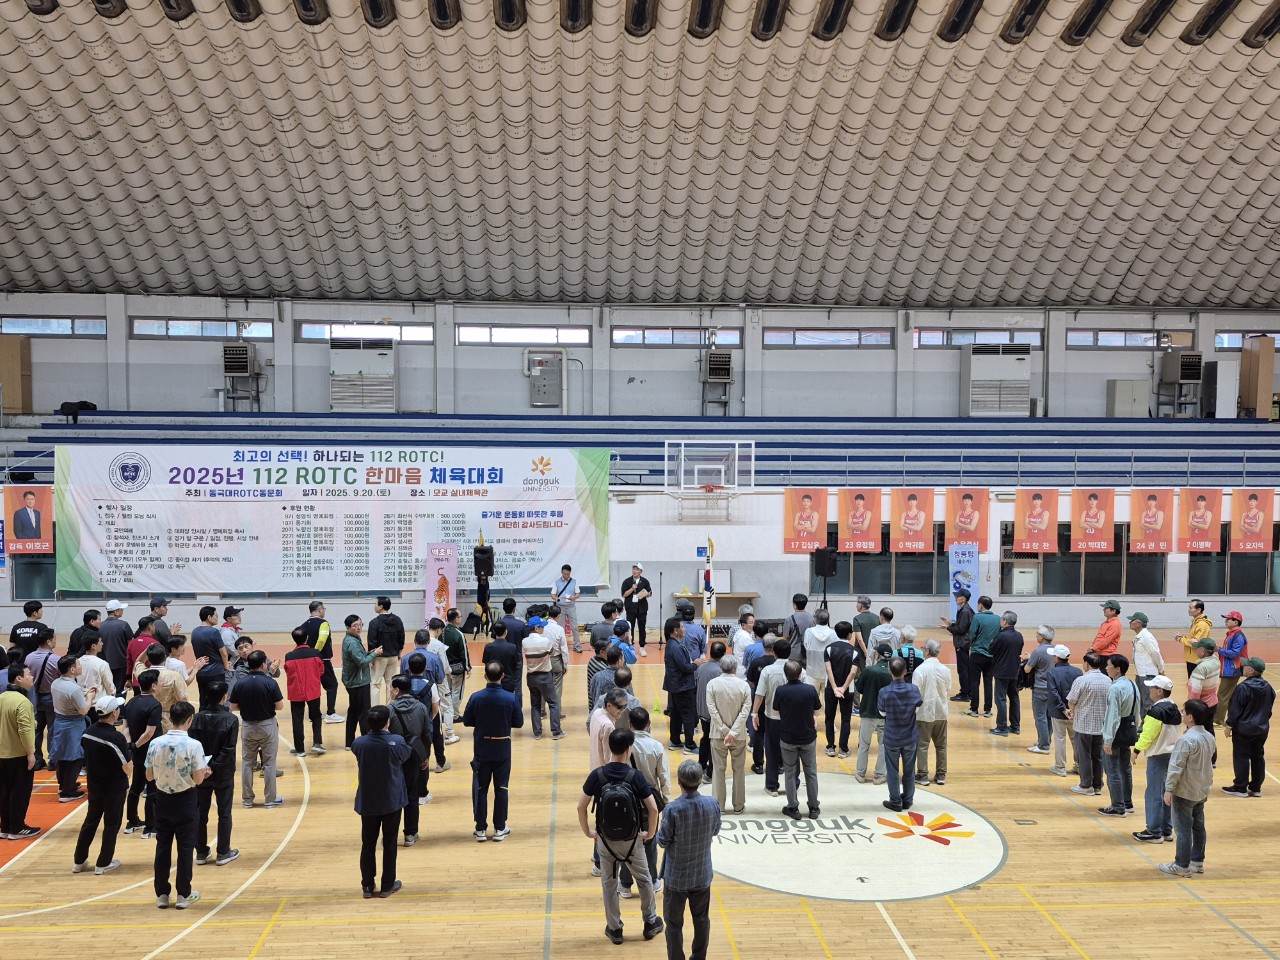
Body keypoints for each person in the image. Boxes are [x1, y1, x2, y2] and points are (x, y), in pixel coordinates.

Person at [577, 728, 664, 946]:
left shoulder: (597, 775)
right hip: (632, 841)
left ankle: (615, 929)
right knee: (644, 879)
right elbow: (653, 809)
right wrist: (650, 833)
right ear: (628, 750)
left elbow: (581, 806)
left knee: (609, 883)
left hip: (605, 841)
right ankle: (650, 922)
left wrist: (588, 832)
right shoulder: (635, 777)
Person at [146, 701, 209, 909]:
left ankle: (162, 894)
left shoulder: (156, 743)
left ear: (170, 718)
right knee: (185, 848)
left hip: (162, 799)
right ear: (190, 720)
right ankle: (183, 894)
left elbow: (148, 775)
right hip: (185, 800)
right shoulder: (194, 745)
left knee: (162, 847)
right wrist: (203, 772)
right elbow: (198, 779)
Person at [657, 759, 721, 960]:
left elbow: (662, 841)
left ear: (679, 781)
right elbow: (715, 830)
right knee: (701, 920)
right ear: (700, 780)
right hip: (702, 874)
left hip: (676, 878)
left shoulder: (672, 809)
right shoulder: (712, 804)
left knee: (674, 924)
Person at [351, 704, 410, 898]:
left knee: (368, 843)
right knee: (390, 843)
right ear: (388, 722)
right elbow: (405, 756)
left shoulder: (359, 743)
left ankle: (367, 885)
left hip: (368, 800)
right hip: (391, 799)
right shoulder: (397, 741)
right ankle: (387, 885)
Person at [463, 661, 523, 841]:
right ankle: (500, 828)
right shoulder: (510, 698)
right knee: (501, 788)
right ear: (503, 676)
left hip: (481, 748)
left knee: (481, 788)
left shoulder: (476, 697)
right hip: (502, 749)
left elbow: (467, 721)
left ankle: (480, 829)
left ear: (485, 676)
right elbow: (518, 722)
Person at [72, 695, 130, 875]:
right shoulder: (116, 737)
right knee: (112, 824)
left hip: (94, 785)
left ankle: (79, 861)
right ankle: (103, 863)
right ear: (114, 713)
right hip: (114, 788)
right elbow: (127, 768)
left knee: (90, 821)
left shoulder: (88, 731)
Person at [1160, 699, 1217, 878]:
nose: (1182, 713)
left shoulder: (1186, 740)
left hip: (1185, 791)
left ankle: (1181, 865)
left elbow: (1176, 766)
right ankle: (1197, 862)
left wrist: (1169, 789)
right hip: (1201, 789)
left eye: (1184, 711)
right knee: (1198, 827)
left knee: (1183, 829)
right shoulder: (1209, 737)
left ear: (1190, 717)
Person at [189, 681, 240, 866]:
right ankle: (223, 852)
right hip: (222, 773)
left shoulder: (195, 719)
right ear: (224, 697)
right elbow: (229, 748)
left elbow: (193, 746)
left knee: (200, 813)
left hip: (201, 772)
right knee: (224, 813)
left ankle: (201, 853)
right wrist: (214, 767)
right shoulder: (231, 719)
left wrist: (204, 767)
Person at [622, 706, 669, 900]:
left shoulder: (625, 745)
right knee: (650, 842)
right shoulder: (656, 747)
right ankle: (652, 880)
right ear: (649, 724)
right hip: (650, 801)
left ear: (630, 724)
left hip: (627, 800)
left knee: (627, 841)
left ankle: (625, 884)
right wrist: (666, 802)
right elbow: (664, 777)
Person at [231, 650, 284, 809]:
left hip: (248, 726)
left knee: (247, 763)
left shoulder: (240, 683)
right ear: (263, 664)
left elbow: (233, 706)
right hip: (267, 725)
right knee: (269, 763)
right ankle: (270, 800)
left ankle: (247, 800)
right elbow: (279, 706)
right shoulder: (270, 682)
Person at [1132, 676, 1181, 844]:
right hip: (1171, 755)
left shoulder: (1156, 711)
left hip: (1158, 756)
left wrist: (1136, 750)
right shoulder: (1174, 707)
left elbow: (1148, 735)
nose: (1149, 690)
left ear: (1160, 691)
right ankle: (1166, 829)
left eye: (1152, 688)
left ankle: (1153, 831)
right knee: (1167, 792)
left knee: (1154, 793)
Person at [388, 675, 432, 846]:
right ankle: (410, 834)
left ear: (397, 690)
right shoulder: (421, 707)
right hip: (414, 757)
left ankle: (390, 835)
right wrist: (425, 755)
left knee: (392, 795)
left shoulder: (389, 709)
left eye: (391, 688)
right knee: (412, 794)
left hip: (394, 758)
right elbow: (427, 733)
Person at [773, 660, 821, 820]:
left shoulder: (781, 691)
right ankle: (814, 807)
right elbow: (817, 711)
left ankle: (793, 807)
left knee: (790, 773)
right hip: (808, 738)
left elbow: (776, 711)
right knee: (811, 772)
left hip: (788, 738)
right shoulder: (810, 689)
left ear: (785, 675)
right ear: (801, 674)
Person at [1223, 657, 1275, 798]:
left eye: (1245, 666)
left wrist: (1229, 725)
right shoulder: (1268, 687)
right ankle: (1256, 787)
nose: (1243, 667)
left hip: (1244, 729)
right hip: (1262, 728)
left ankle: (1240, 787)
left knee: (1241, 756)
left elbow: (1235, 709)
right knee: (1258, 756)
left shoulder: (1242, 687)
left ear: (1251, 670)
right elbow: (1269, 709)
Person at [706, 655, 750, 814]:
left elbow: (712, 711)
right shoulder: (744, 685)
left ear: (721, 667)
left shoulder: (712, 684)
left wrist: (725, 731)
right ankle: (738, 805)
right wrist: (733, 732)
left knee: (718, 770)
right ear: (735, 668)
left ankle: (719, 807)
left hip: (718, 734)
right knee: (739, 770)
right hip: (739, 736)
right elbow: (745, 711)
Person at [0, 663, 39, 840]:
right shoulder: (23, 702)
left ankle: (5, 827)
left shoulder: (1, 697)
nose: (32, 677)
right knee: (20, 792)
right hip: (18, 754)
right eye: (29, 674)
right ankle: (17, 828)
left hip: (2, 754)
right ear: (19, 679)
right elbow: (24, 730)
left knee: (4, 792)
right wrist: (30, 753)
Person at [1098, 654, 1140, 817]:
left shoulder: (1115, 688)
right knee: (1125, 768)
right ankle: (1127, 802)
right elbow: (1137, 710)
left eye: (1108, 665)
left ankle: (1117, 806)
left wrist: (1108, 740)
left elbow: (1112, 716)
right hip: (1128, 730)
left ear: (1117, 669)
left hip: (1115, 732)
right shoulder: (1132, 684)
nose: (1106, 667)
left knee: (1112, 770)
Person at [122, 670, 161, 836]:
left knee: (136, 786)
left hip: (136, 752)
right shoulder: (155, 705)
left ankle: (132, 822)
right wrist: (137, 745)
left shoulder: (131, 702)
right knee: (151, 788)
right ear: (153, 686)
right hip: (150, 751)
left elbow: (125, 727)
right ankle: (150, 827)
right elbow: (149, 732)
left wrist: (131, 745)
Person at [51, 654, 95, 800]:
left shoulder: (56, 683)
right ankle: (67, 792)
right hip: (73, 725)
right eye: (78, 664)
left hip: (60, 722)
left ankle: (63, 785)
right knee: (75, 757)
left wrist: (83, 693)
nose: (81, 666)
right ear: (72, 669)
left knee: (62, 756)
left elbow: (69, 696)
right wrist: (89, 698)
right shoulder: (73, 688)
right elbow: (83, 710)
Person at [1067, 652, 1111, 797]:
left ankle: (1086, 785)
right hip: (1101, 725)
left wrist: (1072, 711)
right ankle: (1097, 785)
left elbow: (1072, 700)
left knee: (1084, 755)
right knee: (1098, 756)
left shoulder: (1081, 680)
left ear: (1086, 663)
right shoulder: (1108, 680)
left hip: (1083, 724)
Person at [753, 639, 791, 796]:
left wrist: (754, 713)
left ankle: (771, 785)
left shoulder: (767, 671)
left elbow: (759, 694)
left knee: (772, 751)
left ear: (774, 653)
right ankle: (793, 784)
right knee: (793, 751)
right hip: (791, 718)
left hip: (772, 717)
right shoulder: (799, 669)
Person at [913, 639, 951, 786]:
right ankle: (941, 774)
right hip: (941, 712)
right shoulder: (945, 670)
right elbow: (947, 687)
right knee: (941, 745)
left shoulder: (920, 670)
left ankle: (922, 775)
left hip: (924, 713)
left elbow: (915, 692)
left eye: (923, 648)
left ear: (927, 651)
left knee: (922, 745)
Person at [853, 643, 893, 784]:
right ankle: (879, 775)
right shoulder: (892, 673)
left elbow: (859, 688)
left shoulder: (869, 670)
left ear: (877, 655)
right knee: (883, 746)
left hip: (868, 712)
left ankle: (861, 774)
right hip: (886, 715)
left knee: (864, 745)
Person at [522, 616, 564, 741]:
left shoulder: (524, 641)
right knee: (553, 703)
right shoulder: (545, 641)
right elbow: (552, 652)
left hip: (531, 676)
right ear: (536, 628)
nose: (543, 628)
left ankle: (537, 733)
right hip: (545, 676)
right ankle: (556, 731)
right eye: (541, 627)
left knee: (535, 705)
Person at [300, 601, 343, 724]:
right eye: (324, 608)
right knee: (332, 685)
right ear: (319, 610)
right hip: (322, 660)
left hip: (307, 661)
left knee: (312, 687)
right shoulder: (323, 623)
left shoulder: (303, 625)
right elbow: (322, 639)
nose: (324, 611)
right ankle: (330, 713)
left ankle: (313, 714)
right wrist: (315, 653)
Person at [284, 629, 325, 756]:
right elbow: (321, 670)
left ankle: (300, 749)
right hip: (313, 690)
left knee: (297, 719)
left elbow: (288, 672)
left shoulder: (289, 656)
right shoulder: (316, 653)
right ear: (307, 638)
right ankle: (317, 743)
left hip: (296, 691)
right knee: (316, 716)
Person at [342, 615, 381, 748]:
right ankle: (367, 742)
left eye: (360, 624)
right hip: (358, 683)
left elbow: (360, 657)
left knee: (353, 712)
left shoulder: (353, 639)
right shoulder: (352, 643)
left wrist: (370, 652)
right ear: (348, 628)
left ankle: (349, 742)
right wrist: (374, 654)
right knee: (364, 713)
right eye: (355, 625)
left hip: (354, 682)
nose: (359, 628)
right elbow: (362, 662)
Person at [663, 617, 700, 754]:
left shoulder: (670, 644)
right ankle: (689, 745)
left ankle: (675, 741)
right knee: (688, 714)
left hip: (675, 685)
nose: (684, 629)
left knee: (677, 714)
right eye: (682, 627)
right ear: (675, 630)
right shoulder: (677, 647)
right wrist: (695, 664)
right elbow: (684, 667)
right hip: (683, 686)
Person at [822, 621, 858, 758]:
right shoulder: (855, 651)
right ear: (849, 634)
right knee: (846, 719)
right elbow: (853, 672)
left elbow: (828, 669)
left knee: (829, 718)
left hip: (831, 689)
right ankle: (843, 749)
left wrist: (835, 687)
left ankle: (830, 747)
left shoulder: (828, 649)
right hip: (848, 690)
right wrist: (843, 688)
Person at [1044, 645, 1081, 778]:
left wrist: (1063, 709)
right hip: (1075, 712)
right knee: (1076, 740)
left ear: (1057, 658)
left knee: (1059, 739)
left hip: (1058, 712)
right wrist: (1072, 709)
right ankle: (1080, 765)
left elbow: (1053, 693)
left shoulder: (1052, 673)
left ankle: (1060, 767)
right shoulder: (1078, 672)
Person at [24, 631, 59, 770]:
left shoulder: (29, 657)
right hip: (51, 697)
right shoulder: (56, 659)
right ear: (49, 642)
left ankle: (38, 760)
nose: (55, 641)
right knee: (53, 729)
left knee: (36, 730)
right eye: (54, 639)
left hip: (33, 697)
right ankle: (53, 760)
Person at [746, 635, 778, 776]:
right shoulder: (778, 663)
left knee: (759, 733)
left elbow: (751, 681)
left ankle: (758, 765)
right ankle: (779, 764)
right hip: (777, 702)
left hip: (760, 701)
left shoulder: (756, 662)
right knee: (776, 733)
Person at [989, 611, 1023, 737]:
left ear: (1005, 621)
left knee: (1000, 699)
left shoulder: (1001, 636)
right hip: (1015, 671)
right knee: (1014, 698)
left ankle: (1002, 727)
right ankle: (1015, 726)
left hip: (1001, 672)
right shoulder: (1019, 636)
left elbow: (991, 650)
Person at [367, 597, 406, 707]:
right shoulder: (397, 620)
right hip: (393, 656)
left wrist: (371, 658)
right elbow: (401, 638)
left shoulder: (374, 623)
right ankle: (391, 708)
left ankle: (375, 709)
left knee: (375, 684)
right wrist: (399, 652)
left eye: (375, 604)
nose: (374, 606)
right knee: (391, 684)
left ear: (381, 606)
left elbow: (372, 642)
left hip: (379, 657)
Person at [965, 596, 999, 718]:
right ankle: (987, 710)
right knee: (988, 682)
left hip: (977, 654)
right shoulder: (997, 618)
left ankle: (974, 709)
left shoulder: (977, 617)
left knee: (975, 681)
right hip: (991, 655)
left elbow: (972, 635)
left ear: (980, 605)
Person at [190, 606, 230, 710]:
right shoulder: (213, 632)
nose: (217, 618)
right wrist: (226, 666)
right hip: (215, 672)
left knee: (203, 701)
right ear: (209, 617)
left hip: (201, 672)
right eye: (216, 616)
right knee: (218, 701)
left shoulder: (194, 631)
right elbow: (223, 653)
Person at [1024, 625, 1056, 753]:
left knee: (1040, 717)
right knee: (1049, 717)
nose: (1036, 635)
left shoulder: (1038, 652)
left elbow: (1027, 669)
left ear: (1042, 637)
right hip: (1052, 688)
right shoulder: (1055, 650)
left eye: (1037, 634)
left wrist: (1028, 660)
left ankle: (1043, 746)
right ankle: (1045, 740)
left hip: (1040, 688)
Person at [940, 588, 974, 704]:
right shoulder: (965, 610)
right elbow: (962, 625)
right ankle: (967, 691)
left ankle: (965, 694)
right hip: (964, 642)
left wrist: (948, 628)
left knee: (963, 669)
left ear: (963, 599)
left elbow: (960, 629)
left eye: (957, 596)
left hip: (962, 643)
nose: (955, 598)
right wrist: (950, 623)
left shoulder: (964, 611)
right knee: (965, 668)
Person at [441, 607, 471, 739]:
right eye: (460, 616)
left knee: (447, 691)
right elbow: (464, 652)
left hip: (445, 667)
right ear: (456, 619)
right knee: (457, 692)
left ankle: (446, 712)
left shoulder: (442, 632)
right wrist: (468, 667)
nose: (461, 618)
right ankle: (454, 715)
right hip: (457, 668)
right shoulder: (459, 634)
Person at [1216, 611, 1249, 726]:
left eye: (1228, 619)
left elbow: (1235, 653)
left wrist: (1219, 650)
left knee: (1222, 694)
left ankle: (1218, 720)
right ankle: (1231, 719)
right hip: (1229, 669)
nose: (1226, 621)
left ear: (1236, 622)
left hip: (1232, 670)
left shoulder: (1238, 636)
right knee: (1229, 695)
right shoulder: (1232, 634)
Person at [99, 600, 133, 702]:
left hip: (104, 663)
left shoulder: (100, 626)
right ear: (115, 612)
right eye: (121, 610)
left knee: (106, 688)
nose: (122, 611)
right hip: (121, 663)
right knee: (120, 689)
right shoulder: (124, 625)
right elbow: (130, 644)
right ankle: (119, 709)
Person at [1175, 599, 1213, 681]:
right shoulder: (1196, 622)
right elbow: (1193, 639)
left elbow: (1195, 643)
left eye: (1191, 608)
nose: (1188, 610)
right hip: (1192, 658)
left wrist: (1181, 639)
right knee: (1192, 682)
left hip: (1197, 659)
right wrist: (1184, 637)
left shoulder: (1202, 624)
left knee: (1195, 683)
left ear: (1198, 610)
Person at [801, 609, 836, 695]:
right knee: (828, 701)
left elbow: (805, 647)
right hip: (828, 672)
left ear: (815, 619)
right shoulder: (833, 633)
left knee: (811, 700)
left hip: (811, 671)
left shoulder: (808, 632)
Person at [621, 564, 652, 656]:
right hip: (630, 608)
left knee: (642, 627)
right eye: (633, 569)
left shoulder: (645, 581)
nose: (634, 571)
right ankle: (630, 646)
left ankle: (642, 647)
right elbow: (624, 594)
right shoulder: (627, 581)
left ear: (641, 571)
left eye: (637, 569)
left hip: (642, 608)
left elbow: (650, 593)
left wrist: (647, 594)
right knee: (630, 628)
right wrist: (632, 588)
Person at [551, 564, 580, 648]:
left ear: (570, 573)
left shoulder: (574, 582)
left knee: (574, 627)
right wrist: (556, 598)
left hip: (571, 607)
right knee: (560, 627)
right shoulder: (556, 582)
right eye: (564, 574)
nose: (566, 576)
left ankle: (577, 645)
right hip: (560, 608)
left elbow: (577, 594)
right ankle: (561, 645)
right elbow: (552, 595)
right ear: (561, 572)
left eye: (568, 574)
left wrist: (573, 597)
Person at [1188, 639, 1221, 710]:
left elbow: (1195, 692)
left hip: (1201, 707)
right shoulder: (1216, 660)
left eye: (1197, 648)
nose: (1196, 650)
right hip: (1213, 703)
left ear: (1203, 651)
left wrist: (1191, 708)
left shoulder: (1201, 668)